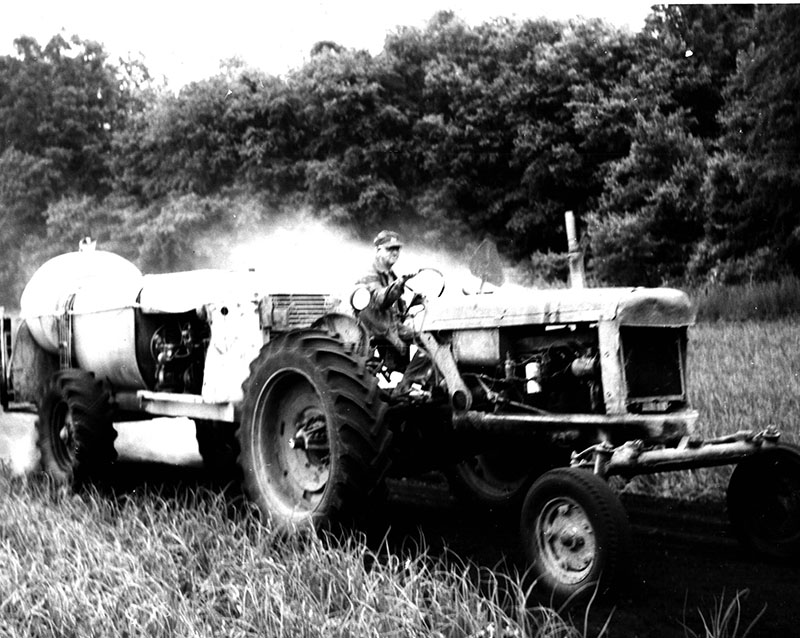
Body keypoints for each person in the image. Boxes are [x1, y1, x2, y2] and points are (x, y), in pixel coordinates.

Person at [356, 230, 429, 391]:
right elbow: (380, 300)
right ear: (378, 250)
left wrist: (410, 312)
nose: (395, 252)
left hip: (393, 326)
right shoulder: (369, 273)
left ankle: (424, 383)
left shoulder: (390, 274)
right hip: (377, 328)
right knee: (429, 339)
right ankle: (406, 385)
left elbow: (399, 306)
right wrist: (400, 283)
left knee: (435, 334)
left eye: (397, 248)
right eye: (390, 248)